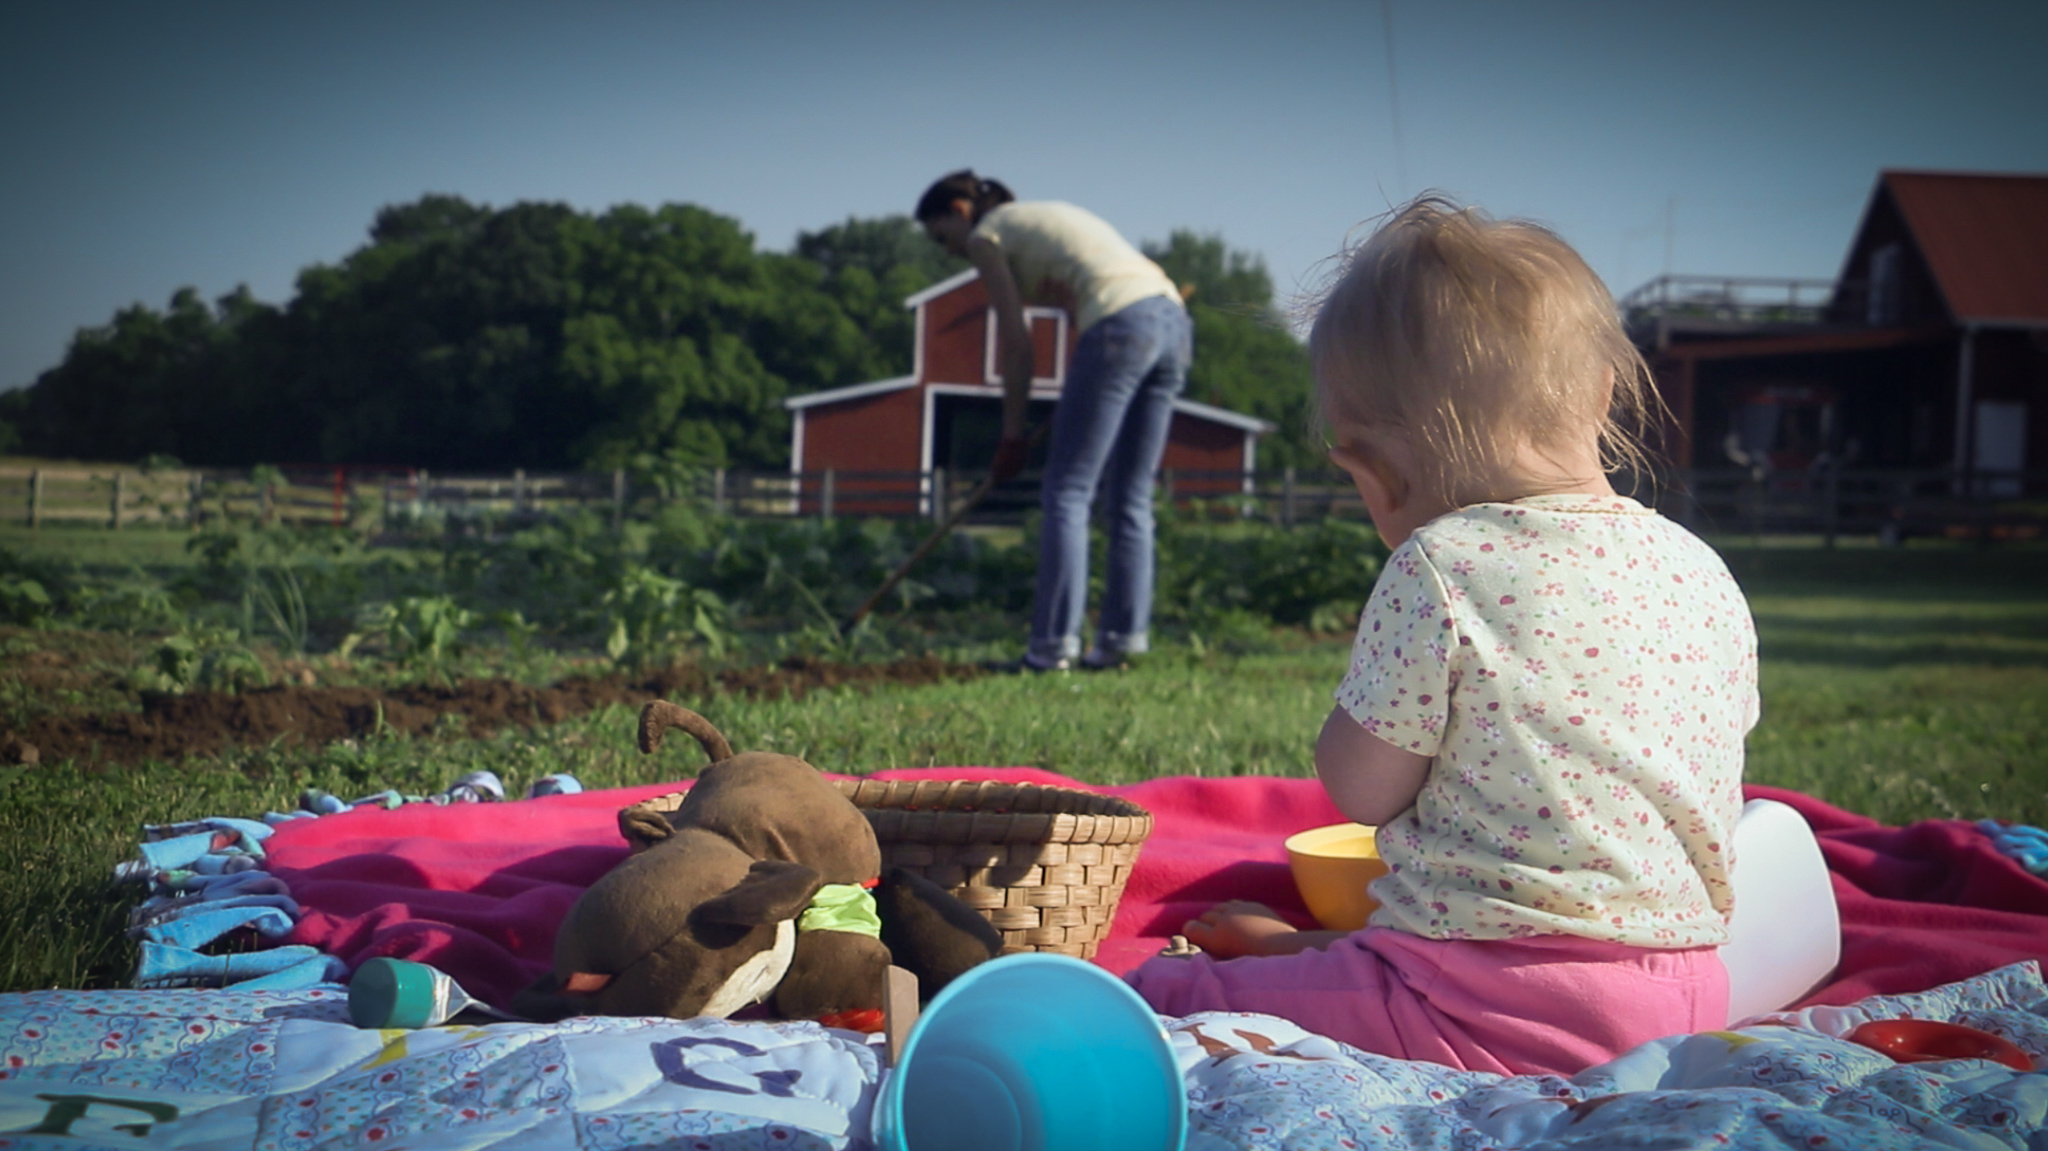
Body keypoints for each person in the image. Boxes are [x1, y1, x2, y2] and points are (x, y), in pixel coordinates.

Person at [1124, 195, 1761, 1078]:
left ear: (1372, 470)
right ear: (1607, 394)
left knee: (1173, 997)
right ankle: (1299, 956)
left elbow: (1360, 790)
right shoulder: (1700, 566)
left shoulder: (1444, 563)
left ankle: (1237, 973)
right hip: (1689, 989)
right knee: (1353, 973)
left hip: (1489, 1001)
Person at [915, 170, 1192, 672]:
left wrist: (1013, 435)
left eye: (941, 237)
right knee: (1130, 495)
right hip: (1171, 322)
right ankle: (1122, 643)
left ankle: (1050, 650)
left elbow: (1018, 348)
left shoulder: (987, 234)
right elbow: (1079, 309)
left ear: (958, 211)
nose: (947, 251)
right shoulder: (1039, 225)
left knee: (1067, 491)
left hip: (1119, 324)